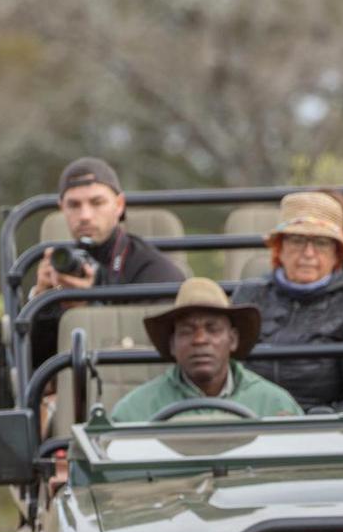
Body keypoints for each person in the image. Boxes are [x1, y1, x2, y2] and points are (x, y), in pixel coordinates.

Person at [233, 191, 343, 413]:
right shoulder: (249, 296)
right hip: (250, 422)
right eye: (296, 240)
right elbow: (227, 374)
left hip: (320, 432)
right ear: (280, 249)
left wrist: (326, 419)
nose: (308, 253)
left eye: (321, 243)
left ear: (337, 254)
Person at [27, 157, 187, 364]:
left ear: (119, 205)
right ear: (62, 208)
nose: (84, 215)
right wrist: (42, 301)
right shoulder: (59, 269)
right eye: (73, 205)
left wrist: (93, 305)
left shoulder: (154, 270)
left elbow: (160, 356)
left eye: (97, 202)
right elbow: (31, 365)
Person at [111, 278, 302, 423]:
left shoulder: (275, 405)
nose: (200, 340)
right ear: (172, 345)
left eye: (213, 329)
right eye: (187, 331)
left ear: (232, 339)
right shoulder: (134, 412)